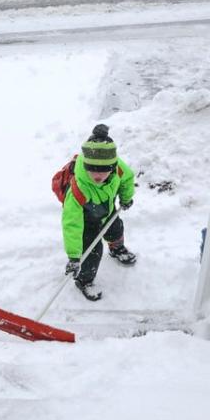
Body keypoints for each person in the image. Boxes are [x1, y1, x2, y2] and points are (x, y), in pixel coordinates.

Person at [61, 124, 136, 301]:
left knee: (116, 229)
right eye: (92, 169)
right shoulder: (78, 189)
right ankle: (84, 280)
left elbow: (128, 178)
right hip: (86, 220)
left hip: (106, 210)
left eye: (103, 170)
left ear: (112, 166)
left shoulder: (118, 168)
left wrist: (126, 198)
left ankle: (116, 248)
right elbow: (71, 223)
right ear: (86, 164)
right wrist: (73, 256)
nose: (98, 175)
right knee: (92, 252)